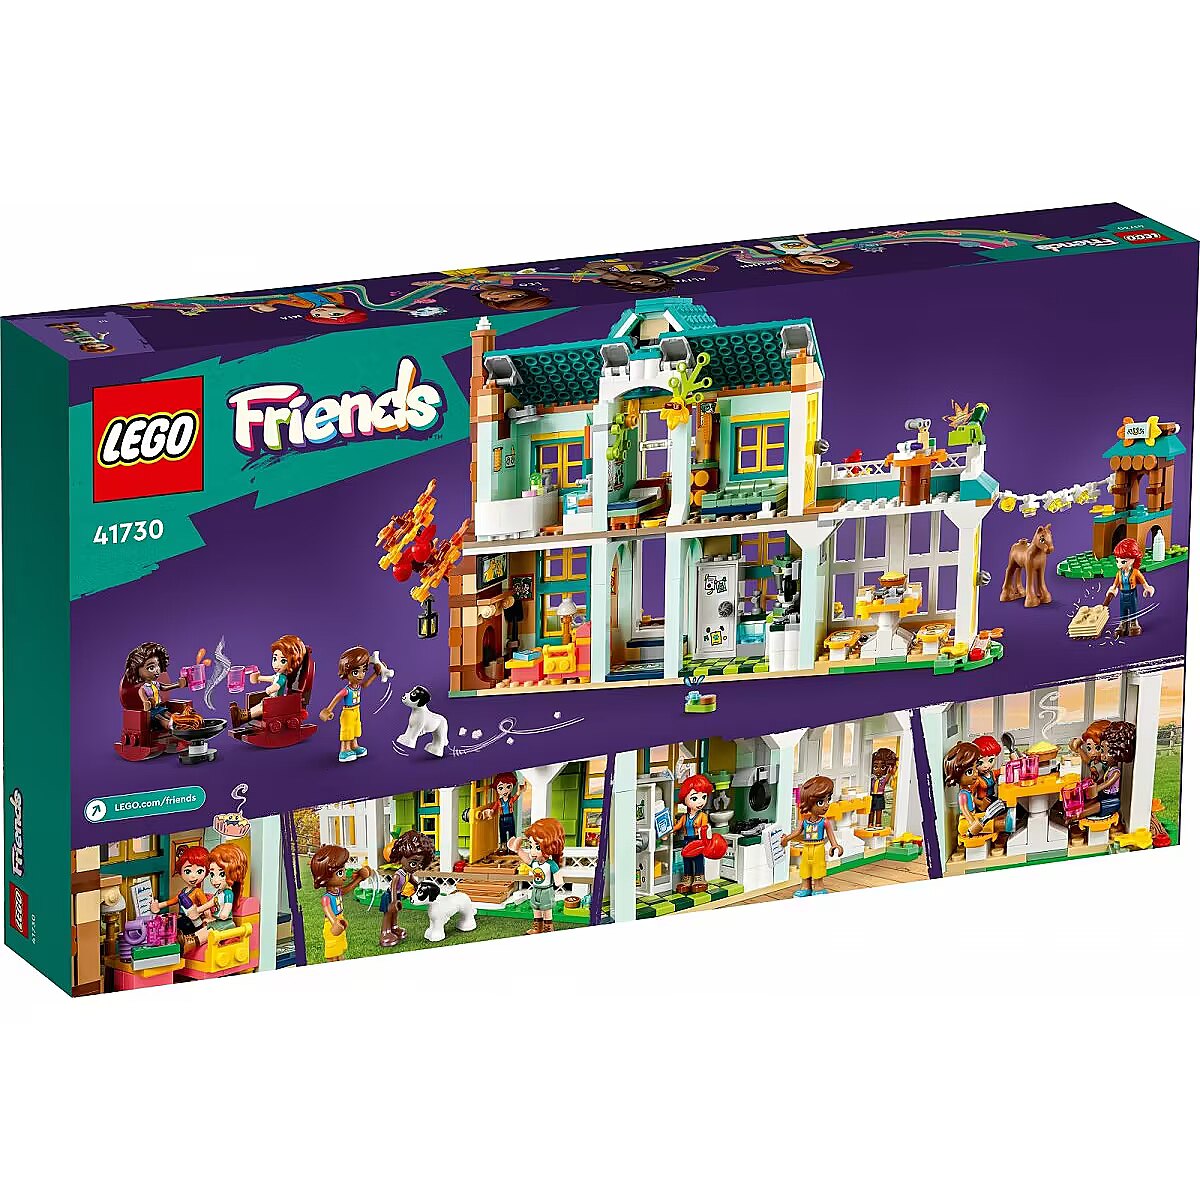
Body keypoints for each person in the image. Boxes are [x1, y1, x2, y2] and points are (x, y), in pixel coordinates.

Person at [781, 775, 843, 897]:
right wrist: (786, 839)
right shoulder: (804, 822)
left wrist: (835, 845)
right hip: (806, 848)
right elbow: (797, 832)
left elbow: (830, 835)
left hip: (818, 848)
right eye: (821, 802)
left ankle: (819, 887)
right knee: (805, 868)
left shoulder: (824, 822)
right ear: (808, 803)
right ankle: (806, 887)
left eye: (828, 800)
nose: (826, 805)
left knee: (818, 868)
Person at [320, 646, 384, 763]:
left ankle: (354, 746)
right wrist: (328, 710)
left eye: (363, 671)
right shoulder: (346, 690)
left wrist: (376, 673)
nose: (361, 675)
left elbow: (365, 684)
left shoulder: (358, 686)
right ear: (346, 672)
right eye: (356, 672)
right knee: (348, 730)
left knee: (355, 728)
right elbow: (337, 698)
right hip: (348, 712)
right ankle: (344, 750)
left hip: (356, 711)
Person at [309, 844, 372, 962]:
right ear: (325, 877)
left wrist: (359, 878)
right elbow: (328, 911)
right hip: (332, 925)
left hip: (340, 921)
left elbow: (348, 889)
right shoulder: (326, 898)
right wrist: (335, 923)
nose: (343, 877)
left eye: (343, 871)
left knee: (340, 950)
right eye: (339, 873)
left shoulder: (337, 891)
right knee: (333, 953)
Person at [230, 634, 307, 727]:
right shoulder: (278, 675)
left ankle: (244, 716)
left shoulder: (282, 677)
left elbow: (277, 686)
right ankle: (244, 715)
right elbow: (270, 678)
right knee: (261, 705)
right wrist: (258, 678)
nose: (276, 664)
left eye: (283, 661)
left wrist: (270, 689)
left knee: (263, 706)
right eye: (275, 659)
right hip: (272, 699)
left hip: (277, 701)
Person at [508, 818, 564, 934]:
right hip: (536, 889)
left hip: (546, 890)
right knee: (536, 908)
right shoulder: (534, 863)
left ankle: (548, 928)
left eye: (537, 847)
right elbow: (526, 858)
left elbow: (557, 875)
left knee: (547, 910)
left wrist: (559, 881)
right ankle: (537, 927)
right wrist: (518, 850)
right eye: (531, 846)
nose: (532, 851)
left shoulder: (550, 864)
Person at [151, 844, 212, 949]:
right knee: (171, 923)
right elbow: (171, 901)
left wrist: (208, 918)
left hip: (192, 921)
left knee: (179, 925)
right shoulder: (182, 892)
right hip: (183, 919)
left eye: (199, 871)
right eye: (188, 871)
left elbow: (206, 906)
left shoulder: (197, 892)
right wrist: (158, 905)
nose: (193, 876)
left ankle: (180, 943)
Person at [124, 641, 183, 734]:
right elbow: (145, 701)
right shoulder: (143, 689)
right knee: (159, 718)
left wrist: (178, 684)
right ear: (138, 672)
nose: (157, 670)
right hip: (152, 711)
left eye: (158, 666)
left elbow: (164, 687)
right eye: (151, 668)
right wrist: (147, 703)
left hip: (159, 707)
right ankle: (170, 725)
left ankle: (180, 722)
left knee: (167, 714)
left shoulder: (155, 684)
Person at [672, 774, 715, 895]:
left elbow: (704, 827)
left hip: (697, 840)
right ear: (685, 799)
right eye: (695, 798)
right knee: (687, 859)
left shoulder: (702, 816)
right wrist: (668, 831)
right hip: (687, 841)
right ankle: (688, 878)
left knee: (698, 859)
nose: (700, 802)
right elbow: (677, 826)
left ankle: (699, 877)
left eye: (704, 797)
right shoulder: (684, 817)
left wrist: (704, 833)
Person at [1106, 537, 1155, 637]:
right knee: (1123, 609)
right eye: (1117, 561)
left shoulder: (1135, 572)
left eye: (1123, 562)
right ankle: (1122, 624)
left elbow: (1143, 581)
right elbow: (1115, 584)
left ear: (1133, 559)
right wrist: (1112, 589)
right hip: (1122, 594)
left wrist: (1147, 587)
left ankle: (1133, 623)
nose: (1119, 565)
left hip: (1132, 594)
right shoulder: (1119, 573)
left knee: (1133, 608)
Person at [491, 772, 528, 847]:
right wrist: (491, 811)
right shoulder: (499, 801)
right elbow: (494, 808)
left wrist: (519, 791)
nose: (504, 791)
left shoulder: (511, 799)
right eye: (501, 788)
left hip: (510, 817)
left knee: (512, 832)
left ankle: (512, 846)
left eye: (508, 787)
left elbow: (516, 796)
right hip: (502, 818)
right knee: (502, 833)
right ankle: (503, 846)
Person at [867, 748, 899, 830]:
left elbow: (889, 775)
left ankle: (878, 823)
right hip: (872, 795)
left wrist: (891, 771)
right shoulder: (871, 779)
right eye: (875, 767)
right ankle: (870, 823)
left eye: (882, 767)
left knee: (879, 810)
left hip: (879, 796)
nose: (878, 770)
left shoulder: (883, 779)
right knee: (871, 809)